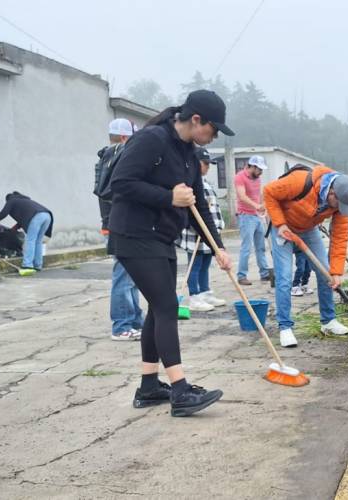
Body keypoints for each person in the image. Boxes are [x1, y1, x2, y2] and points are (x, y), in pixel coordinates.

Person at [108, 89, 233, 417]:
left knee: (157, 308)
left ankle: (149, 386)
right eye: (213, 129)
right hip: (133, 234)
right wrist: (167, 197)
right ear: (196, 119)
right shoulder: (152, 140)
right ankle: (179, 390)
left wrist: (218, 247)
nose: (214, 136)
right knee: (167, 306)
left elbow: (198, 206)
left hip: (161, 238)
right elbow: (120, 183)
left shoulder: (189, 153)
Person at [264, 165, 348, 348]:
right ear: (331, 193)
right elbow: (268, 192)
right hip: (283, 228)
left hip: (308, 229)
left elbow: (339, 239)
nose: (340, 209)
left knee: (326, 274)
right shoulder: (300, 181)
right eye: (339, 204)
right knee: (284, 277)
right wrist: (280, 223)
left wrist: (337, 272)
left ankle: (328, 321)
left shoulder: (342, 205)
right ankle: (285, 327)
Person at [94, 119, 144, 341]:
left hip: (113, 224)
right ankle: (121, 326)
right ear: (125, 138)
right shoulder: (120, 157)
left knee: (131, 276)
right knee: (124, 277)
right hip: (122, 226)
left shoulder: (105, 158)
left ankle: (134, 320)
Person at [176, 147, 226, 312]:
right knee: (194, 265)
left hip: (208, 233)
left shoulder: (206, 184)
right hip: (195, 234)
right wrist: (199, 229)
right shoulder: (188, 183)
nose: (207, 167)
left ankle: (205, 292)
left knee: (205, 264)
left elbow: (211, 208)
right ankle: (195, 297)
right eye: (205, 163)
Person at [0, 192, 53, 276]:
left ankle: (27, 265)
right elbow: (26, 216)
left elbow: (5, 211)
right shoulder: (24, 200)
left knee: (30, 240)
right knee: (38, 241)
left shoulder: (12, 200)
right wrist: (17, 226)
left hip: (37, 217)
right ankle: (38, 265)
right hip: (47, 216)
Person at [234, 155, 271, 285]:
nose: (261, 172)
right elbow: (242, 196)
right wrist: (257, 206)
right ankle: (241, 275)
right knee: (246, 247)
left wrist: (263, 207)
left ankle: (265, 273)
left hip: (257, 216)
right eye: (259, 169)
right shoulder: (240, 177)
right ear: (252, 166)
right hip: (245, 216)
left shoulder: (257, 178)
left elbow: (259, 195)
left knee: (261, 247)